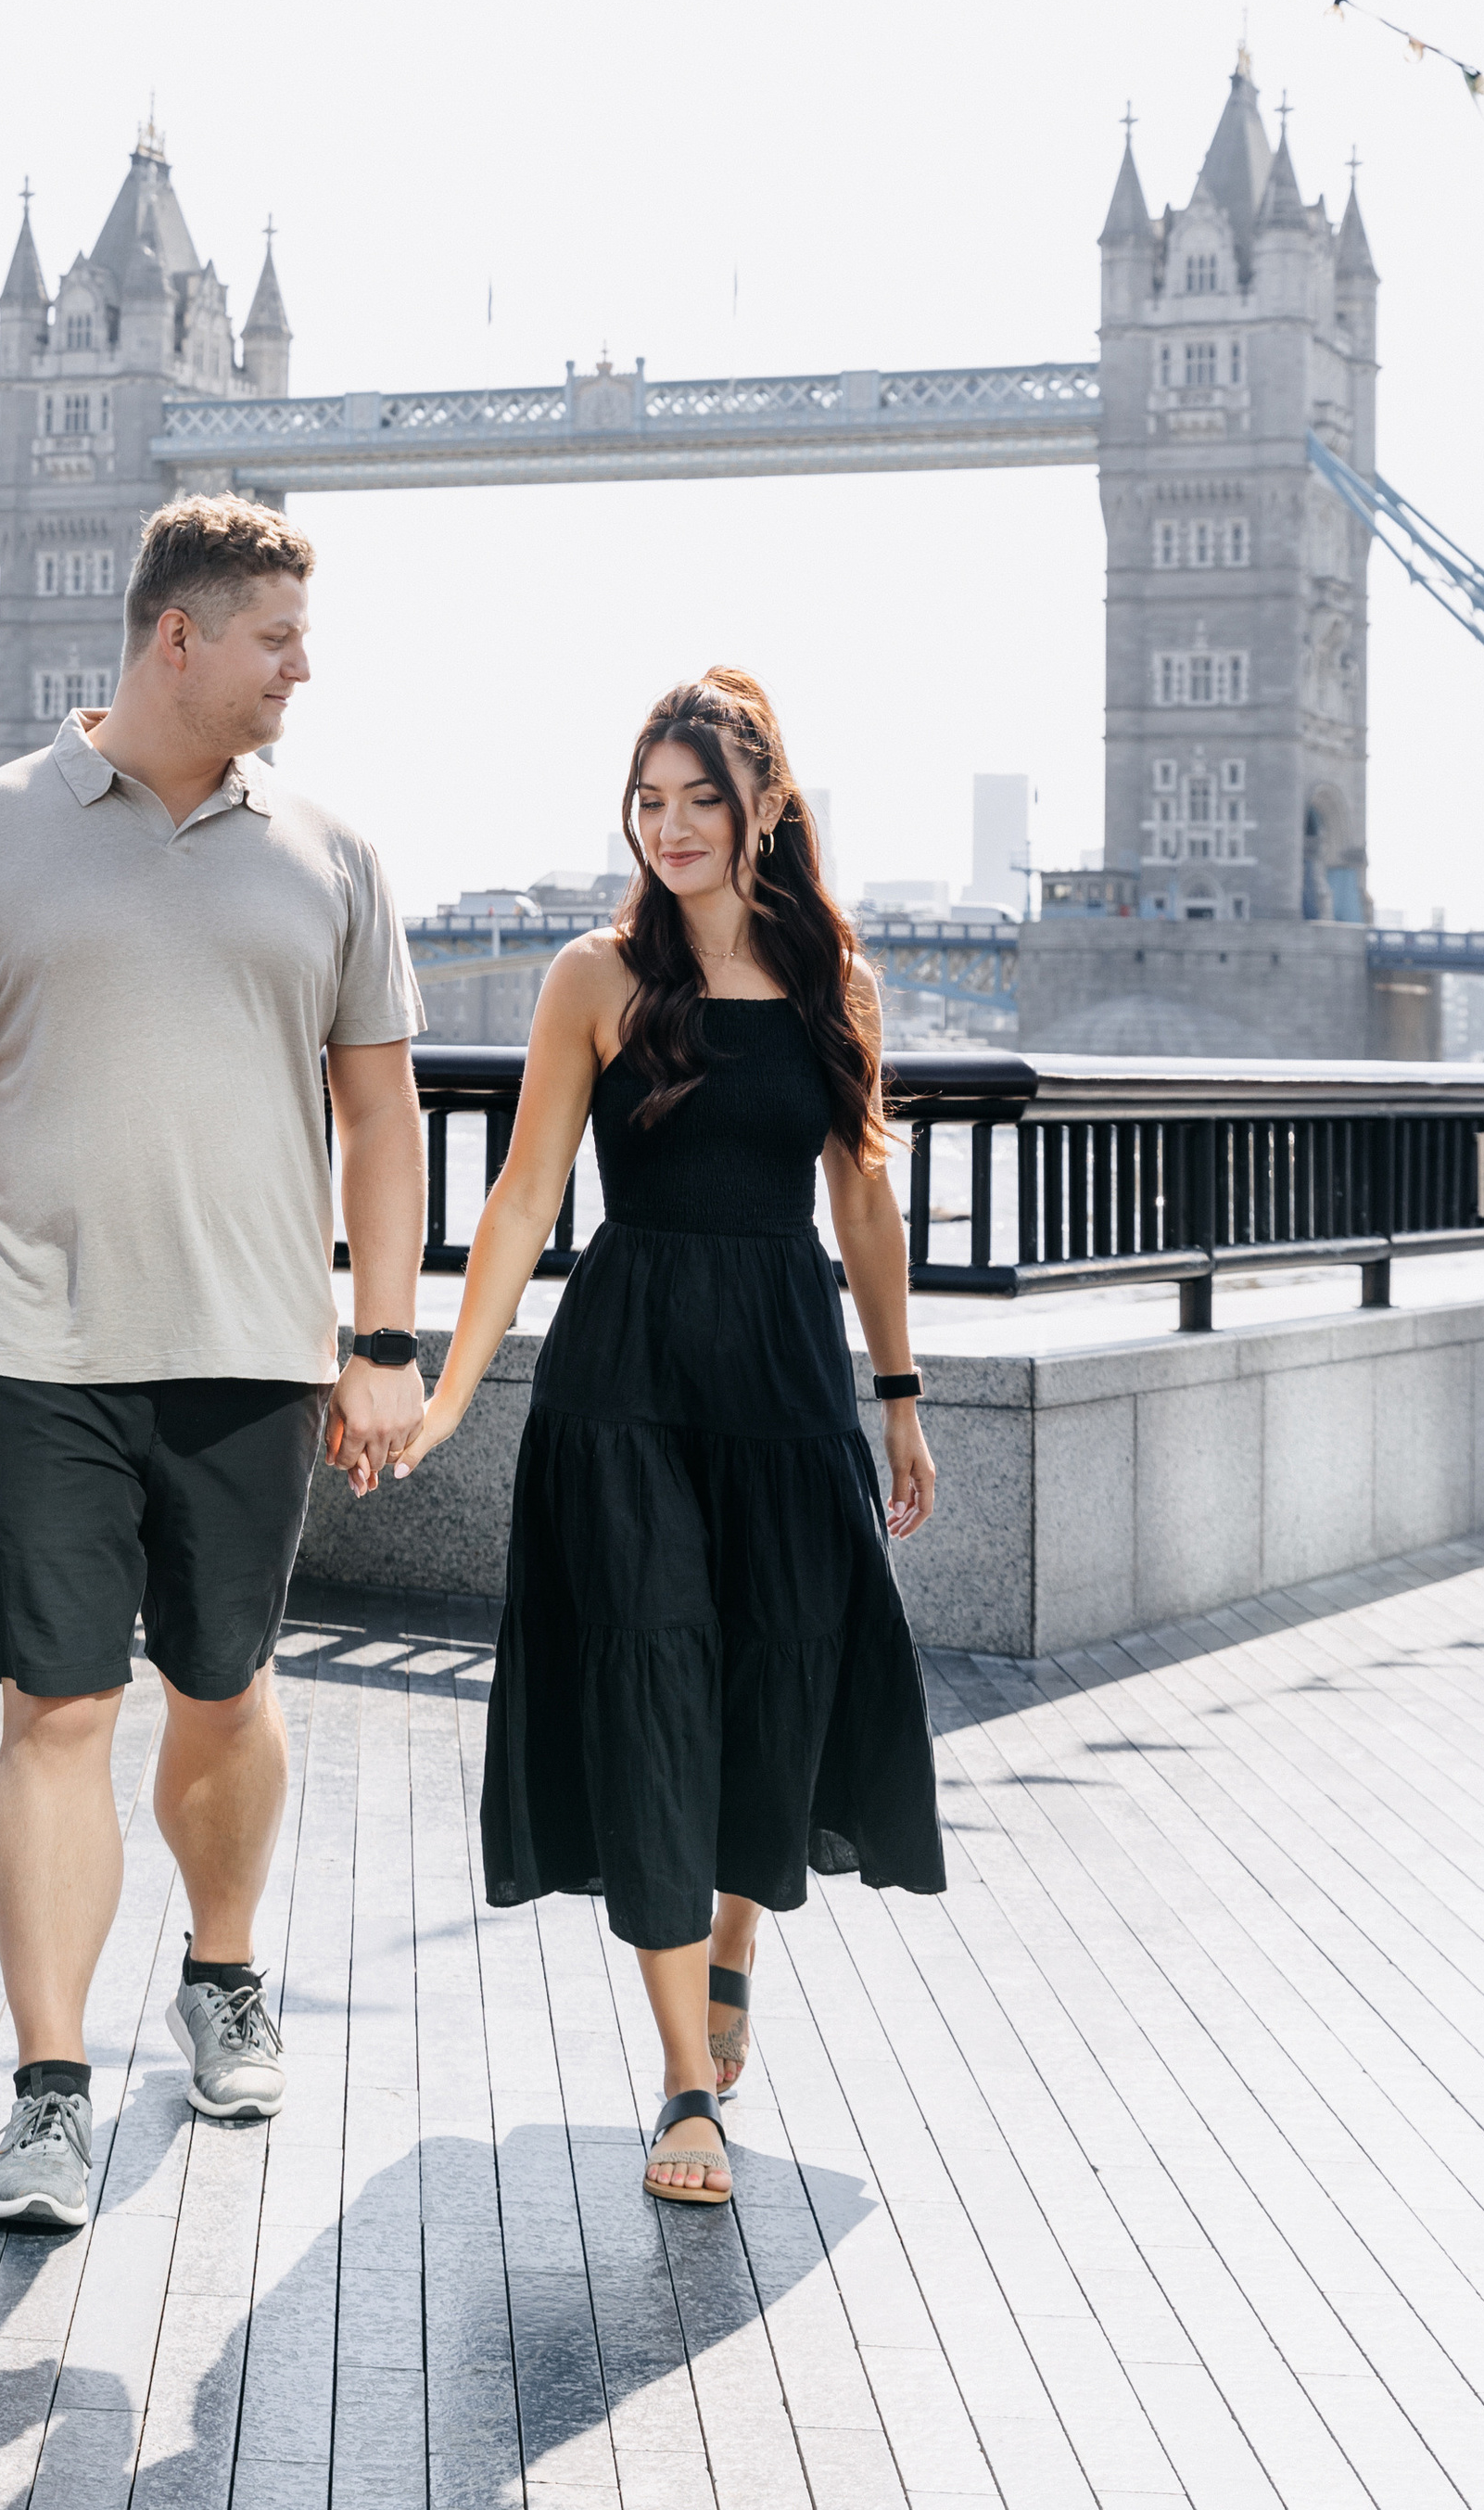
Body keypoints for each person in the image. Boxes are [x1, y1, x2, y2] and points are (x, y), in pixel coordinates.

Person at [0, 493, 427, 2233]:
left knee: (226, 1691)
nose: (302, 672)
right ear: (176, 637)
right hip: (36, 1352)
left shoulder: (332, 853)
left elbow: (383, 1112)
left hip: (256, 1351)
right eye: (276, 642)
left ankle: (225, 1968)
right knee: (56, 1712)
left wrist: (383, 1341)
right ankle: (46, 2090)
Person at [393, 667, 944, 2209]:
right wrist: (445, 1390)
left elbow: (864, 1198)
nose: (674, 826)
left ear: (762, 802)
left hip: (781, 1374)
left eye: (702, 797)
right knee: (649, 1680)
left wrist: (896, 1396)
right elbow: (520, 1200)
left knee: (776, 1672)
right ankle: (683, 2090)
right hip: (624, 1375)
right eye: (651, 801)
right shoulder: (592, 979)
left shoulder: (831, 973)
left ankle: (736, 1947)